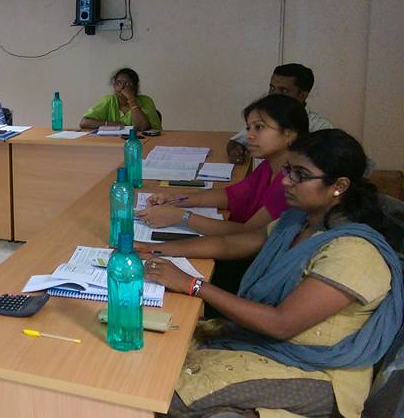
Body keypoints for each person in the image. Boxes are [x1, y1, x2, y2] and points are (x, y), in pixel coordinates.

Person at [138, 129, 402, 418]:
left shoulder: (354, 253)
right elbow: (231, 243)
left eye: (300, 175)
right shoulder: (299, 220)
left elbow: (281, 324)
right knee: (156, 350)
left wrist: (192, 285)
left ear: (339, 185)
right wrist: (154, 250)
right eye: (288, 170)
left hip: (316, 370)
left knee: (163, 393)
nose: (286, 181)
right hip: (267, 343)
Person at [136, 94, 309, 236]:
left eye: (259, 127)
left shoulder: (290, 183)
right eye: (248, 128)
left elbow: (247, 233)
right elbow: (229, 196)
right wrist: (176, 199)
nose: (249, 136)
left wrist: (181, 217)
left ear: (289, 133)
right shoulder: (268, 167)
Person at [227, 63, 334, 164]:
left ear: (302, 95)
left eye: (283, 90)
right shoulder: (263, 116)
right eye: (272, 88)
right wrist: (236, 150)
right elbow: (237, 141)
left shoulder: (322, 129)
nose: (274, 95)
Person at [79, 67, 161, 131]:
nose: (122, 87)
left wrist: (131, 99)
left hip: (141, 143)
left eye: (127, 84)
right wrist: (109, 124)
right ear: (114, 86)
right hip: (113, 143)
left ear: (135, 87)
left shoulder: (146, 101)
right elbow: (84, 122)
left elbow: (143, 127)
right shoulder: (109, 100)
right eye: (118, 83)